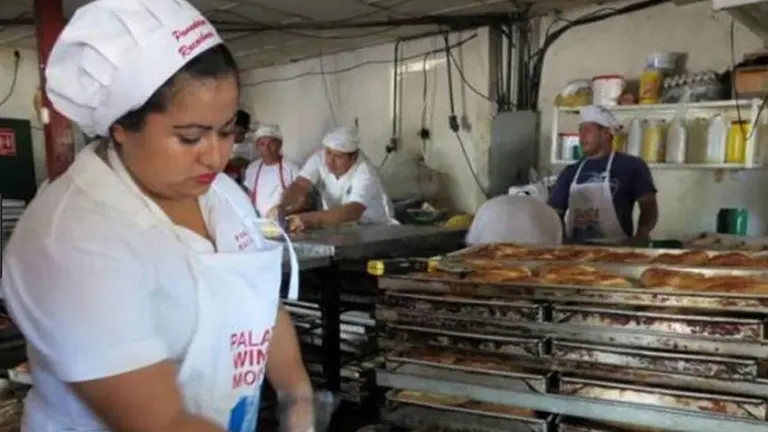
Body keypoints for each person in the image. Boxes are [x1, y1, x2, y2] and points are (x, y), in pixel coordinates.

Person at [1, 1, 313, 431]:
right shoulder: (72, 239)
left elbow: (255, 298)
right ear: (120, 128)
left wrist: (298, 398)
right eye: (189, 138)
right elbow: (162, 422)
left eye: (227, 131)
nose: (217, 156)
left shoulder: (222, 196)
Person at [548, 105, 659, 244]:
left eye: (588, 130)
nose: (581, 137)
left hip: (618, 251)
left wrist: (642, 234)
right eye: (580, 131)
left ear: (606, 133)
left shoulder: (632, 166)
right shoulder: (570, 171)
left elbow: (648, 204)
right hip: (576, 252)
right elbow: (554, 213)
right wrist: (562, 241)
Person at [277, 126, 397, 232]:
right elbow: (300, 185)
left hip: (376, 230)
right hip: (343, 229)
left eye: (338, 157)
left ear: (353, 157)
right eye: (328, 153)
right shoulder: (319, 158)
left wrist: (309, 219)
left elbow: (353, 211)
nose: (330, 161)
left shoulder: (365, 172)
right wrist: (282, 207)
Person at [243, 124, 299, 217]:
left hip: (284, 221)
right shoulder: (252, 169)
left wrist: (282, 210)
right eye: (262, 144)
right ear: (257, 147)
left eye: (271, 144)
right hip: (259, 222)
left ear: (280, 145)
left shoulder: (292, 169)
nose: (267, 148)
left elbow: (299, 200)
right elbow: (249, 197)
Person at [466, 194, 563, 245]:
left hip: (484, 263)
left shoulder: (487, 208)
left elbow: (471, 243)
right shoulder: (546, 212)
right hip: (536, 263)